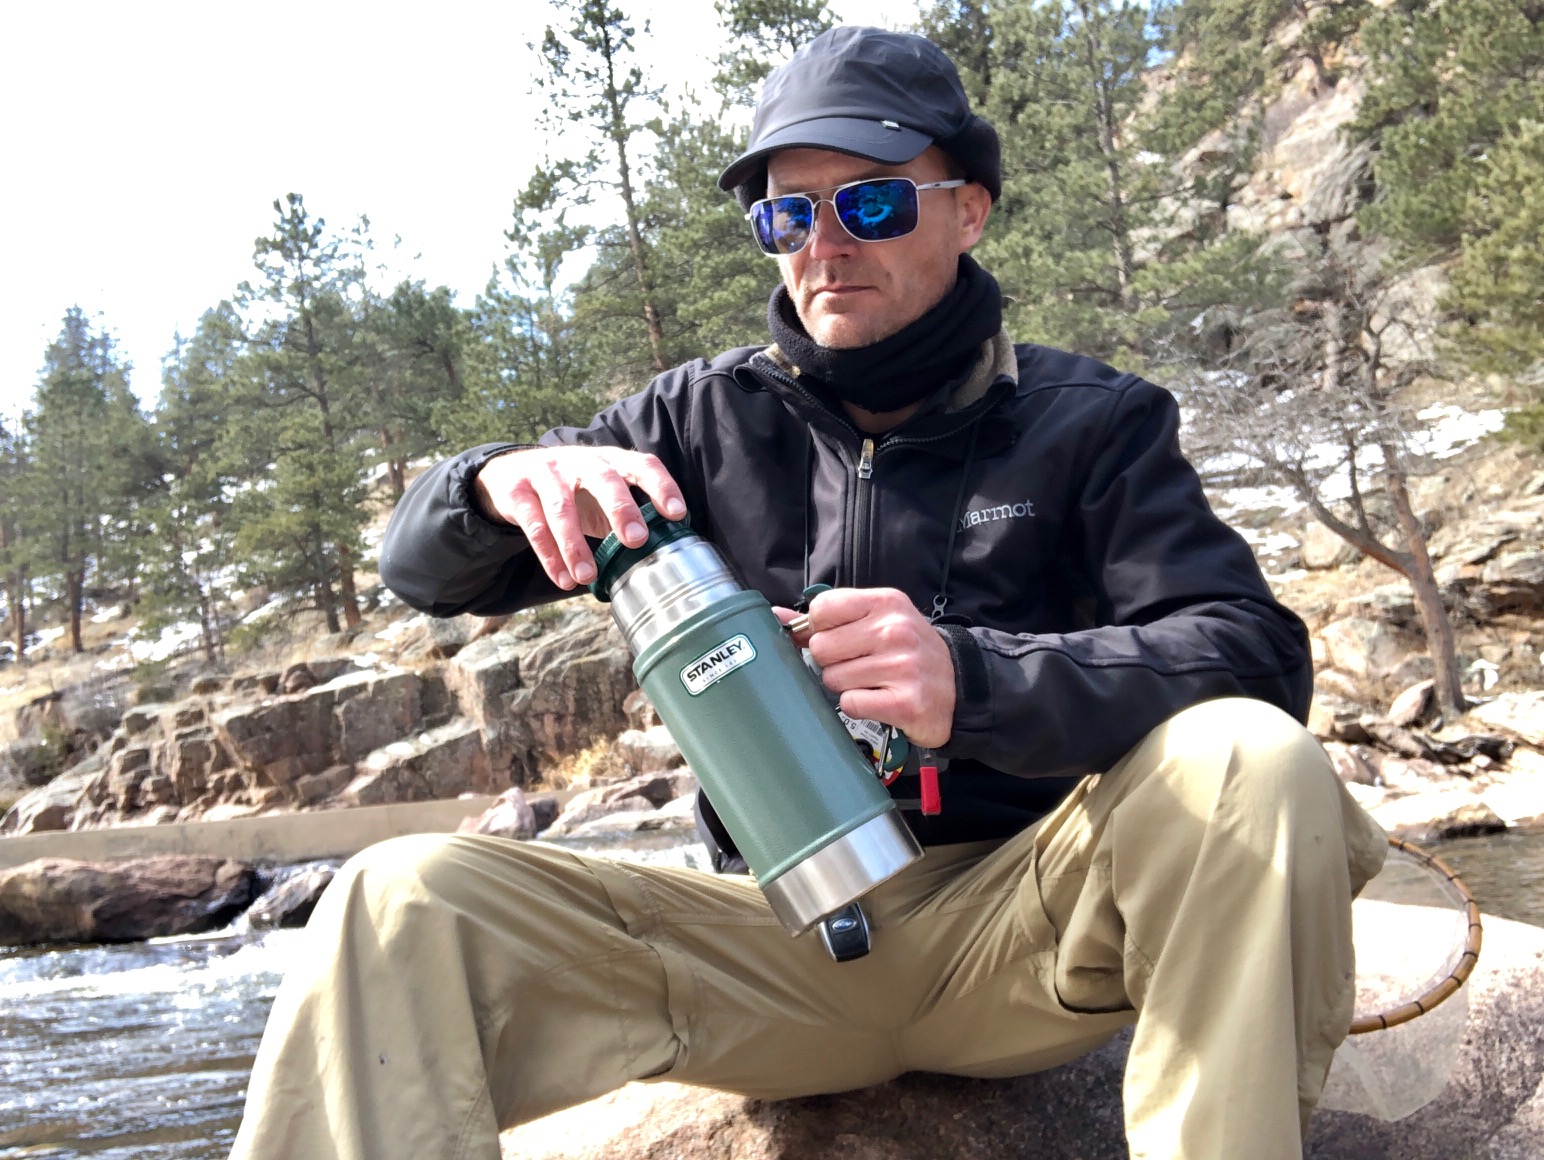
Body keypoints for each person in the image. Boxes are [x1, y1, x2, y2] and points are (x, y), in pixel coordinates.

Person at [230, 26, 1387, 1160]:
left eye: (870, 203)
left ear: (967, 207)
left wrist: (973, 676)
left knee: (1249, 755)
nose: (825, 244)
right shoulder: (686, 427)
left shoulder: (1094, 422)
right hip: (767, 950)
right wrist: (487, 483)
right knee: (401, 893)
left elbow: (1252, 656)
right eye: (787, 213)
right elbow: (426, 576)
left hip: (1027, 926)